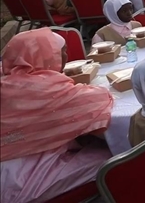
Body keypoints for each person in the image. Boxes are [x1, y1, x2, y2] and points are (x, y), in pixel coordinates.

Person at [0, 29, 114, 203]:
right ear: (45, 57)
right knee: (115, 157)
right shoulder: (46, 89)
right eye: (61, 53)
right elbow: (97, 99)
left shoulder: (6, 83)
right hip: (23, 183)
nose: (67, 57)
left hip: (7, 171)